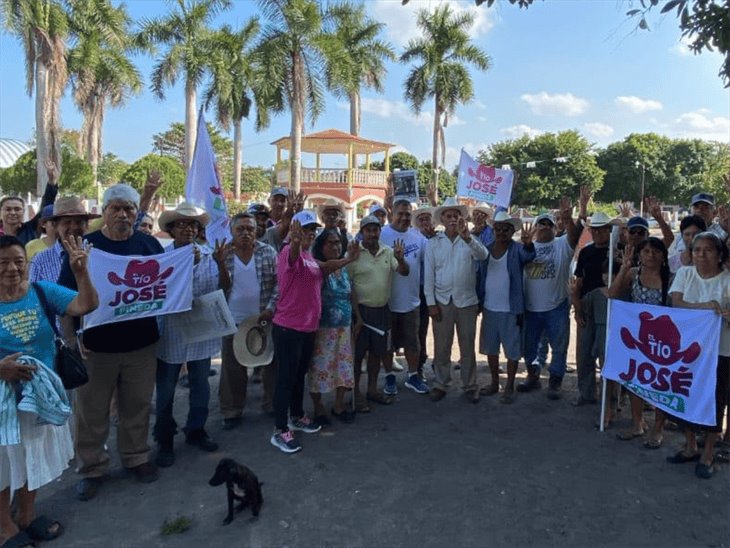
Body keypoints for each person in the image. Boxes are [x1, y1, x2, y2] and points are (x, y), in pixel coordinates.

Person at [58, 183, 165, 501]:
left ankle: (136, 457)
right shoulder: (85, 246)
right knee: (91, 413)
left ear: (136, 213)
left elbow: (165, 286)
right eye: (115, 208)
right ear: (104, 212)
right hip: (96, 347)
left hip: (141, 344)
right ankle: (91, 469)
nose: (122, 214)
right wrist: (70, 339)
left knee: (138, 406)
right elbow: (66, 298)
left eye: (128, 208)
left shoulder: (149, 245)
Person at [0, 234, 98, 547]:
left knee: (32, 457)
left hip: (40, 398)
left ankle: (27, 515)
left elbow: (87, 304)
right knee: (2, 465)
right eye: (3, 263)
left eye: (18, 261)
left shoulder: (42, 291)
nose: (12, 269)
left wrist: (81, 272)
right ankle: (4, 526)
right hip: (4, 404)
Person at [270, 211, 356, 454]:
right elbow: (293, 257)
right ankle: (280, 430)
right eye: (304, 229)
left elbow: (327, 267)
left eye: (311, 230)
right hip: (288, 327)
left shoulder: (309, 257)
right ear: (294, 231)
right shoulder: (290, 252)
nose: (308, 234)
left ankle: (297, 415)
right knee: (285, 379)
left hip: (308, 328)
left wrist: (349, 259)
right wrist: (295, 243)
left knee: (298, 376)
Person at [153, 202, 227, 468]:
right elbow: (162, 292)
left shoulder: (210, 254)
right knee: (165, 391)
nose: (188, 228)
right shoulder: (161, 256)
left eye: (193, 224)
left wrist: (221, 265)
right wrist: (183, 266)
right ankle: (164, 438)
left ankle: (196, 429)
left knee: (201, 385)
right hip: (171, 331)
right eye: (181, 224)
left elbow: (222, 289)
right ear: (171, 230)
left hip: (201, 330)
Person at [666, 232, 730, 479]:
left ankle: (709, 452)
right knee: (685, 396)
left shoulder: (727, 281)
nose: (701, 255)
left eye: (708, 250)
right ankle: (690, 445)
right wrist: (706, 308)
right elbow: (676, 304)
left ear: (719, 254)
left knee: (715, 402)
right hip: (687, 354)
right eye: (697, 250)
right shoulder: (685, 274)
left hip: (720, 352)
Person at [520, 194, 585, 400]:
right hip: (531, 309)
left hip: (556, 307)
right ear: (535, 227)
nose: (545, 227)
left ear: (555, 229)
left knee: (559, 346)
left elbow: (575, 237)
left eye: (549, 224)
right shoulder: (525, 247)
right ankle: (533, 377)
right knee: (529, 346)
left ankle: (555, 381)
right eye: (542, 224)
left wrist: (568, 220)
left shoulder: (561, 245)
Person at [608, 237, 671, 447]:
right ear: (639, 255)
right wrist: (624, 269)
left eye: (655, 251)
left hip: (663, 342)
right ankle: (637, 423)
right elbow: (612, 293)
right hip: (637, 339)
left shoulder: (670, 278)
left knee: (661, 385)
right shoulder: (634, 274)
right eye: (645, 251)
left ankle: (658, 429)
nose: (650, 255)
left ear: (663, 255)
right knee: (635, 382)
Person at [218, 213, 278, 430]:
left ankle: (271, 404)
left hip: (263, 318)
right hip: (233, 320)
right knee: (232, 369)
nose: (245, 233)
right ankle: (232, 410)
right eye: (240, 229)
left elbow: (279, 284)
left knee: (270, 363)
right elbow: (220, 286)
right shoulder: (224, 254)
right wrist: (220, 264)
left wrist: (271, 308)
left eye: (250, 229)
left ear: (256, 232)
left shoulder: (267, 252)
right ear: (232, 232)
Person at [425, 198, 488, 403]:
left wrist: (468, 238)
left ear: (462, 218)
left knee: (467, 346)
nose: (452, 219)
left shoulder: (470, 239)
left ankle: (470, 385)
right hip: (442, 300)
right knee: (442, 346)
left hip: (467, 301)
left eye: (456, 216)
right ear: (442, 219)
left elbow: (484, 256)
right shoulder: (434, 243)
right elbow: (429, 276)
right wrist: (431, 303)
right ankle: (441, 383)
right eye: (448, 216)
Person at [348, 214, 408, 408]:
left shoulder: (388, 251)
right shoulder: (354, 253)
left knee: (377, 354)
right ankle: (356, 394)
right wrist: (356, 316)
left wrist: (401, 259)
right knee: (357, 356)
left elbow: (404, 271)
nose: (372, 234)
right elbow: (348, 286)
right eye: (368, 230)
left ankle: (372, 390)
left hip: (382, 311)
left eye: (375, 230)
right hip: (360, 313)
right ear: (362, 232)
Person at [477, 212, 535, 404]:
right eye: (498, 228)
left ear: (512, 231)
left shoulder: (518, 249)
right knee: (491, 349)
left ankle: (509, 386)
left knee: (512, 350)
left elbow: (529, 256)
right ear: (493, 230)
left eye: (505, 229)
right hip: (489, 308)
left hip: (511, 310)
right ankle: (495, 383)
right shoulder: (486, 250)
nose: (501, 232)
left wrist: (528, 243)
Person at [308, 229, 359, 425]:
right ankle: (318, 407)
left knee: (343, 368)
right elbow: (326, 268)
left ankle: (338, 405)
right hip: (323, 329)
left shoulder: (343, 269)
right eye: (330, 243)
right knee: (319, 369)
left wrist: (358, 317)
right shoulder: (316, 265)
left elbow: (350, 293)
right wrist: (349, 258)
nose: (336, 246)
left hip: (343, 328)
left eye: (338, 242)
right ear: (321, 247)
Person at [380, 199, 430, 395]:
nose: (404, 217)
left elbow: (432, 259)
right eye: (400, 213)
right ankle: (389, 377)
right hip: (387, 301)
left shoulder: (418, 238)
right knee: (388, 345)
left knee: (413, 343)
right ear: (392, 212)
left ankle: (412, 376)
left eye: (408, 214)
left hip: (411, 301)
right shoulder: (381, 233)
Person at [573, 212, 619, 407]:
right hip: (587, 301)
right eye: (595, 229)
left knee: (606, 352)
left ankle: (610, 399)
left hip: (608, 302)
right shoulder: (586, 252)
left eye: (603, 229)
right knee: (584, 352)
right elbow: (578, 281)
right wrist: (578, 308)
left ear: (610, 230)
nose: (599, 233)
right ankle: (586, 393)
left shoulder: (617, 251)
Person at [29, 197, 100, 284]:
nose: (74, 227)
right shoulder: (40, 260)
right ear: (55, 226)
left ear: (87, 225)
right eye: (67, 222)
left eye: (79, 222)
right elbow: (35, 294)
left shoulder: (98, 253)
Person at [0, 161, 58, 244]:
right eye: (8, 209)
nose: (12, 213)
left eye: (17, 209)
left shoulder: (31, 229)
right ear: (1, 211)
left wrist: (52, 180)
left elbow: (45, 207)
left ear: (23, 211)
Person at [413, 205, 436, 378]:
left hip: (435, 290)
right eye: (421, 219)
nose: (424, 222)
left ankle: (438, 362)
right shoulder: (413, 238)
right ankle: (418, 364)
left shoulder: (438, 238)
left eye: (427, 218)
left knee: (436, 327)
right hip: (416, 289)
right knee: (418, 329)